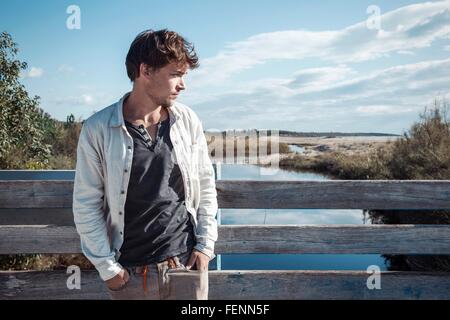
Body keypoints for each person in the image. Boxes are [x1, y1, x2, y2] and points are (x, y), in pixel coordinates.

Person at [72, 29, 218, 300]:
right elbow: (86, 203)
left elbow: (206, 185)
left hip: (185, 264)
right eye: (175, 74)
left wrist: (205, 247)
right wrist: (109, 270)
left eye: (183, 75)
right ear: (145, 70)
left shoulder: (187, 120)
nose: (182, 84)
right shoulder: (98, 129)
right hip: (130, 275)